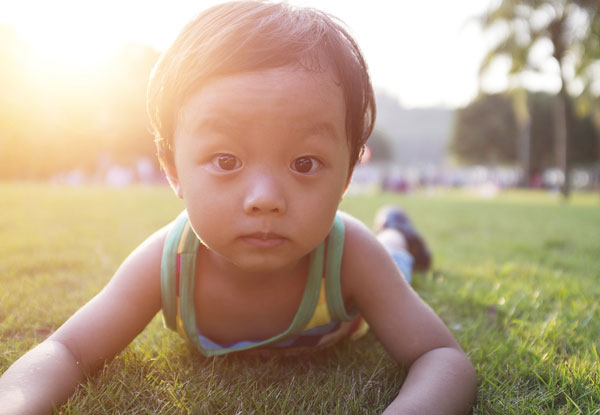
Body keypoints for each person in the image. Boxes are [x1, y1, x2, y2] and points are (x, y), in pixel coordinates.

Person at [0, 2, 477, 414]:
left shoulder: (351, 255)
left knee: (394, 258)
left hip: (360, 284)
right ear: (174, 171)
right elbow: (66, 348)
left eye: (305, 162)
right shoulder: (168, 263)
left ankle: (394, 230)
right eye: (226, 161)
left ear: (348, 173)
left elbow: (442, 357)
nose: (265, 197)